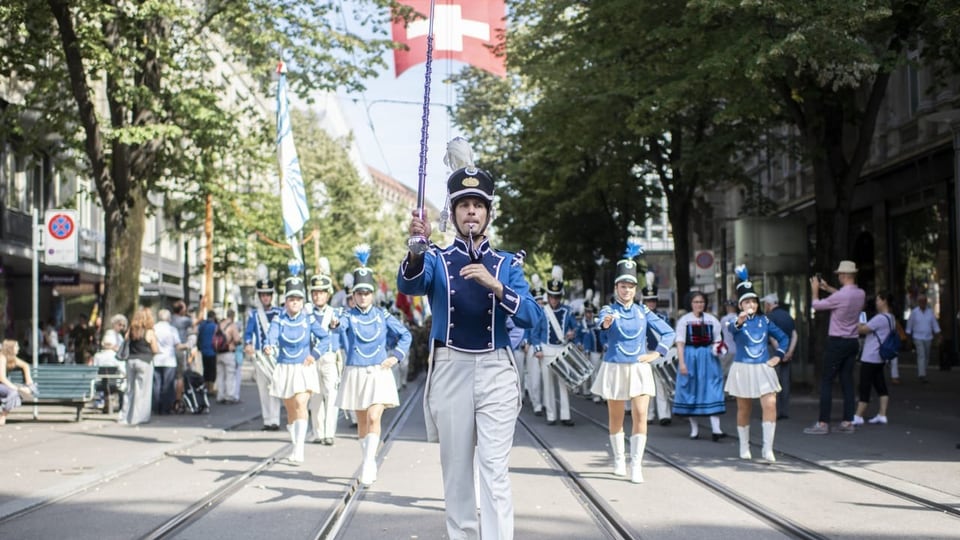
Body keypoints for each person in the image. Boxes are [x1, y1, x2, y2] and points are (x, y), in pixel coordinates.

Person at [398, 143, 542, 540]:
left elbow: (533, 317)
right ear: (454, 213)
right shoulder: (437, 258)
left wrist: (497, 287)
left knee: (494, 469)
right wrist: (414, 252)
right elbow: (409, 285)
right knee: (458, 471)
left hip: (496, 368)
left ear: (489, 213)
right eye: (464, 205)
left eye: (478, 205)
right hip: (451, 368)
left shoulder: (508, 264)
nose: (472, 212)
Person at [592, 249, 676, 483]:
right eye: (622, 286)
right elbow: (601, 325)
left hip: (639, 368)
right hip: (615, 367)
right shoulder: (609, 310)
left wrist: (656, 354)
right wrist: (606, 324)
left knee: (640, 415)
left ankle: (636, 464)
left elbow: (668, 332)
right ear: (616, 288)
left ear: (635, 289)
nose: (626, 290)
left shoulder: (643, 311)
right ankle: (619, 459)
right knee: (616, 418)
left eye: (630, 286)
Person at [337, 246, 411, 485]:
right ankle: (368, 459)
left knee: (373, 414)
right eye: (359, 293)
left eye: (367, 293)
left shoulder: (383, 316)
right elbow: (338, 326)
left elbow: (405, 335)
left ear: (373, 294)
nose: (363, 297)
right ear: (354, 295)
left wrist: (396, 356)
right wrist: (333, 322)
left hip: (378, 371)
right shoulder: (348, 315)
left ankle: (369, 463)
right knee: (361, 420)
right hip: (356, 370)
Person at [725, 266, 790, 461]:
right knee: (744, 408)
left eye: (753, 300)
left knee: (770, 404)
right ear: (740, 304)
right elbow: (732, 331)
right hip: (743, 367)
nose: (751, 304)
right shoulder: (735, 321)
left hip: (763, 367)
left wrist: (778, 355)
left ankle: (767, 448)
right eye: (747, 301)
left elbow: (784, 337)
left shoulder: (765, 321)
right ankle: (744, 446)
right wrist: (740, 320)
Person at [263, 276, 327, 464]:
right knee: (291, 410)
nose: (295, 303)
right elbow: (271, 337)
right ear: (286, 301)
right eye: (292, 299)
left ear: (302, 301)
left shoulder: (308, 319)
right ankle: (295, 442)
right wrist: (268, 346)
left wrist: (314, 355)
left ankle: (299, 449)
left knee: (301, 404)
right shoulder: (279, 320)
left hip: (303, 368)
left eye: (298, 299)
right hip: (285, 368)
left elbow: (325, 338)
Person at [804, 260, 865, 435]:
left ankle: (823, 422)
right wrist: (828, 288)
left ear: (845, 276)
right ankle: (848, 421)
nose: (838, 276)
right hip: (852, 341)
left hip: (837, 341)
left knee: (827, 381)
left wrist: (815, 290)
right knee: (847, 380)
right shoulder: (860, 294)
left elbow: (816, 305)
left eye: (839, 274)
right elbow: (844, 297)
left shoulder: (840, 296)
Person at [673, 291, 727, 441]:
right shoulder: (684, 320)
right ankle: (694, 429)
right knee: (691, 390)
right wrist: (682, 363)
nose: (699, 305)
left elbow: (718, 339)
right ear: (691, 304)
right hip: (690, 357)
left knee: (712, 388)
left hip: (708, 357)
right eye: (696, 302)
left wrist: (718, 348)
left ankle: (716, 429)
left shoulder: (712, 320)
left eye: (701, 302)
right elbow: (680, 343)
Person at [536, 265, 578, 426]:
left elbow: (575, 328)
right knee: (547, 385)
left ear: (560, 296)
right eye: (552, 297)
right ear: (548, 296)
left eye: (557, 297)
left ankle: (565, 415)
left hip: (561, 350)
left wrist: (572, 333)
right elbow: (535, 333)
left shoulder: (568, 311)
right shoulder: (542, 311)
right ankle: (551, 416)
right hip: (546, 350)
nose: (554, 300)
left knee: (563, 384)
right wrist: (538, 350)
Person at [307, 267, 341, 445]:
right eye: (315, 293)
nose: (317, 296)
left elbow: (341, 330)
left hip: (329, 357)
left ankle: (329, 433)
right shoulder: (307, 313)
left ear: (328, 295)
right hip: (311, 359)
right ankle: (318, 432)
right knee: (315, 398)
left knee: (331, 395)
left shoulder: (336, 313)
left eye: (321, 293)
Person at [244, 277, 283, 431]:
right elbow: (248, 333)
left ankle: (275, 419)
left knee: (274, 387)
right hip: (260, 356)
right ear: (259, 296)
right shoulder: (254, 314)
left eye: (268, 294)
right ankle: (267, 419)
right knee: (262, 388)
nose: (266, 297)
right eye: (263, 295)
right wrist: (248, 344)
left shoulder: (279, 312)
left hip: (276, 355)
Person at [853, 291, 896, 425]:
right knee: (880, 385)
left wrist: (858, 323)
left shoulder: (880, 318)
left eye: (878, 300)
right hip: (880, 357)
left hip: (870, 356)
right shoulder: (891, 318)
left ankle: (858, 415)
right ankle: (882, 414)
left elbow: (862, 330)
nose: (876, 303)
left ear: (884, 301)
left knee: (864, 386)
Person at [119, 307, 160, 425]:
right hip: (145, 361)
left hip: (130, 361)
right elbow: (155, 349)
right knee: (143, 390)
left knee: (129, 389)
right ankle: (140, 417)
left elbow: (125, 341)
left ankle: (125, 416)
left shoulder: (131, 330)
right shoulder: (149, 331)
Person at [760, 293, 798, 420]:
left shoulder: (768, 317)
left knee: (771, 381)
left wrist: (780, 351)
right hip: (787, 351)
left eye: (765, 304)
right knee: (785, 381)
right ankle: (784, 411)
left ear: (768, 304)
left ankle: (772, 412)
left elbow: (771, 336)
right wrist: (789, 352)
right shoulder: (787, 315)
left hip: (773, 351)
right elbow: (794, 334)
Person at [641, 278, 673, 424]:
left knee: (661, 384)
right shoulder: (639, 317)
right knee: (647, 386)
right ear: (644, 301)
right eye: (648, 301)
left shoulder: (663, 317)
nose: (651, 303)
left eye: (653, 300)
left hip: (658, 353)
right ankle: (649, 414)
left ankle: (664, 415)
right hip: (645, 354)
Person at [153, 309, 185, 414]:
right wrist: (187, 346)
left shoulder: (154, 328)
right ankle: (166, 408)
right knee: (167, 385)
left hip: (156, 359)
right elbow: (178, 345)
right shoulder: (172, 330)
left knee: (157, 384)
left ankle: (156, 407)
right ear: (168, 318)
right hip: (169, 360)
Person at [905, 293, 941, 383]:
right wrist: (908, 339)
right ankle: (922, 375)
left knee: (926, 356)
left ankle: (923, 371)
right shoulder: (914, 312)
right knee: (921, 355)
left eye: (924, 301)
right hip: (917, 337)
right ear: (918, 302)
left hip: (928, 337)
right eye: (920, 301)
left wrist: (938, 336)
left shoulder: (930, 312)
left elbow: (935, 325)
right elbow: (909, 326)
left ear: (926, 302)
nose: (922, 303)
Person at [576, 301, 604, 404]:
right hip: (586, 351)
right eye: (587, 312)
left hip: (597, 350)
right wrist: (579, 343)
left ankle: (598, 393)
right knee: (589, 372)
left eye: (591, 312)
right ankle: (591, 392)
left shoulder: (597, 323)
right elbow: (577, 337)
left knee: (597, 372)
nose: (589, 314)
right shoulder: (581, 324)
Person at [215, 309, 241, 404]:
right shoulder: (232, 326)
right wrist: (237, 342)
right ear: (233, 316)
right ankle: (229, 396)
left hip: (218, 353)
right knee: (230, 375)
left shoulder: (219, 325)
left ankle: (220, 395)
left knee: (220, 375)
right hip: (229, 353)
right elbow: (237, 339)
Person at [196, 310, 219, 397]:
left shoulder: (202, 325)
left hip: (204, 350)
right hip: (212, 351)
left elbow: (199, 336)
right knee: (212, 370)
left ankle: (206, 387)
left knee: (206, 370)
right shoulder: (214, 326)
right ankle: (211, 388)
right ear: (213, 317)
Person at [0, 340, 23, 425]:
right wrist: (15, 387)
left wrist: (29, 382)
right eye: (16, 346)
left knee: (15, 393)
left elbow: (25, 365)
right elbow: (2, 377)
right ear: (10, 348)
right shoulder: (2, 357)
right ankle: (3, 415)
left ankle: (3, 414)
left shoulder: (9, 358)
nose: (18, 348)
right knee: (14, 392)